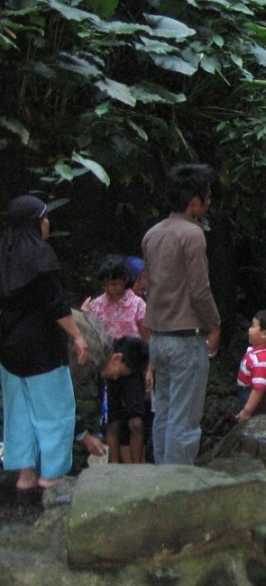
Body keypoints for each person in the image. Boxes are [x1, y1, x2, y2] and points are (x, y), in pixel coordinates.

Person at [0, 195, 89, 490]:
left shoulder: (4, 254)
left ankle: (25, 475)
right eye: (44, 217)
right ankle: (51, 474)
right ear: (34, 223)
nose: (48, 223)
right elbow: (55, 305)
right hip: (41, 347)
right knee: (55, 410)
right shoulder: (40, 255)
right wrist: (77, 335)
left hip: (8, 348)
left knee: (19, 411)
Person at [142, 163, 221, 465]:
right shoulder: (193, 235)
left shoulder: (152, 234)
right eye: (207, 197)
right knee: (185, 420)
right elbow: (200, 291)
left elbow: (151, 286)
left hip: (158, 339)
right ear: (194, 203)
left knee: (163, 412)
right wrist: (214, 324)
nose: (210, 202)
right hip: (186, 339)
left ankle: (162, 478)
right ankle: (177, 486)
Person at [81, 254, 149, 463]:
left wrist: (149, 368)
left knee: (136, 422)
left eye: (115, 283)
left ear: (124, 280)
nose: (111, 289)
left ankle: (137, 468)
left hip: (132, 365)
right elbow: (89, 336)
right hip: (107, 368)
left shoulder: (137, 304)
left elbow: (147, 337)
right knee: (113, 422)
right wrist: (85, 315)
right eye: (106, 284)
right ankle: (114, 468)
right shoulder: (97, 306)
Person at [69, 309, 149, 461]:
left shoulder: (99, 333)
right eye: (120, 372)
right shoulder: (93, 356)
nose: (115, 377)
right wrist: (84, 436)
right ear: (117, 358)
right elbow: (62, 396)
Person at [235, 309, 266, 422]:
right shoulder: (257, 353)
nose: (249, 329)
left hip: (261, 402)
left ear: (264, 334)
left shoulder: (262, 359)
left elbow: (259, 389)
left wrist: (247, 411)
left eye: (253, 326)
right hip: (251, 395)